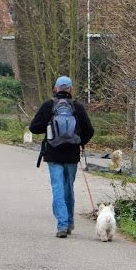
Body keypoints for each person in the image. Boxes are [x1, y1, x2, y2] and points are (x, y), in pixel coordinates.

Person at [29, 76, 94, 238]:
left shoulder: (48, 106)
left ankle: (62, 225)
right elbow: (89, 130)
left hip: (53, 153)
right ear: (70, 89)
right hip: (72, 155)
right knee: (68, 188)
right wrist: (80, 141)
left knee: (57, 188)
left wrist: (49, 129)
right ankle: (70, 222)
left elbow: (34, 128)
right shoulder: (77, 107)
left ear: (55, 89)